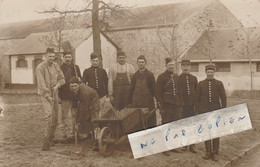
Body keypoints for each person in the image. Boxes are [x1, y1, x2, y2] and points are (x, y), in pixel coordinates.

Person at [35, 48, 65, 151]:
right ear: (45, 56)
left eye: (53, 56)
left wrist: (57, 86)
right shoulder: (40, 67)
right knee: (49, 116)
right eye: (49, 56)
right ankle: (46, 140)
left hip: (55, 92)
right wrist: (48, 95)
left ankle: (51, 139)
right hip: (45, 94)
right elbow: (41, 83)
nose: (51, 58)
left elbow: (62, 79)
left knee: (55, 117)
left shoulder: (56, 66)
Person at [195, 64, 227, 161]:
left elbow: (223, 97)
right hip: (203, 111)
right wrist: (197, 111)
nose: (209, 74)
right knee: (206, 132)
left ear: (214, 73)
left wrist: (223, 110)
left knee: (215, 132)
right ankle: (208, 152)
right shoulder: (201, 84)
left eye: (211, 72)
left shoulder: (219, 83)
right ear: (205, 72)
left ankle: (215, 153)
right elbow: (197, 99)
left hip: (215, 111)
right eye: (208, 72)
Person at [156, 57, 183, 155]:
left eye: (172, 65)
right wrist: (161, 106)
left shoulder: (177, 77)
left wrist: (180, 104)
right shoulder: (161, 77)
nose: (171, 67)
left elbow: (180, 92)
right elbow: (158, 93)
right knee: (166, 125)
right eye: (169, 65)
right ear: (166, 66)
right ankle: (165, 148)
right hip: (166, 104)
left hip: (176, 104)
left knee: (175, 125)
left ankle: (174, 146)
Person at [69, 76, 100, 153]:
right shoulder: (73, 90)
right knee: (79, 115)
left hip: (93, 101)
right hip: (84, 102)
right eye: (72, 86)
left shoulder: (84, 93)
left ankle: (97, 141)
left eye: (75, 86)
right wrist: (73, 110)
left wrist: (79, 121)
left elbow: (84, 109)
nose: (73, 88)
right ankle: (89, 135)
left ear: (79, 84)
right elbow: (74, 101)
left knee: (93, 119)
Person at [129, 55, 157, 128]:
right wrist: (129, 102)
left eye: (142, 62)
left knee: (150, 121)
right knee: (138, 122)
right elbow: (131, 89)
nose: (141, 64)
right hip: (137, 103)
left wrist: (157, 100)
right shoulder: (134, 76)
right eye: (139, 62)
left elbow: (154, 89)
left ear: (145, 63)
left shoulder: (150, 75)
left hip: (148, 102)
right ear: (137, 64)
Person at [58, 52, 81, 139]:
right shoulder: (59, 68)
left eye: (69, 57)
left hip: (74, 95)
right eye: (66, 57)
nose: (68, 59)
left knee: (75, 113)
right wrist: (59, 96)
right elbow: (58, 82)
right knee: (64, 114)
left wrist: (79, 79)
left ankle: (73, 132)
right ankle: (65, 132)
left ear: (72, 58)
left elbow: (80, 81)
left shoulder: (75, 68)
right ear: (63, 58)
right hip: (64, 95)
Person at [179, 59, 198, 153]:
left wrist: (196, 105)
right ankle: (184, 144)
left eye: (187, 66)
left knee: (192, 125)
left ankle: (192, 145)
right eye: (184, 66)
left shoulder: (194, 78)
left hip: (192, 106)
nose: (185, 67)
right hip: (183, 106)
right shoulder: (178, 78)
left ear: (190, 67)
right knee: (184, 125)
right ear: (181, 67)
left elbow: (197, 93)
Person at [82, 53, 108, 117]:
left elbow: (106, 82)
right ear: (91, 61)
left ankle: (101, 123)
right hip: (92, 95)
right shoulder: (87, 71)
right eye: (93, 61)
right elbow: (84, 84)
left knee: (102, 110)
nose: (95, 62)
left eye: (96, 61)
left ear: (99, 61)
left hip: (102, 94)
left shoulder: (103, 71)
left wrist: (107, 93)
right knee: (93, 109)